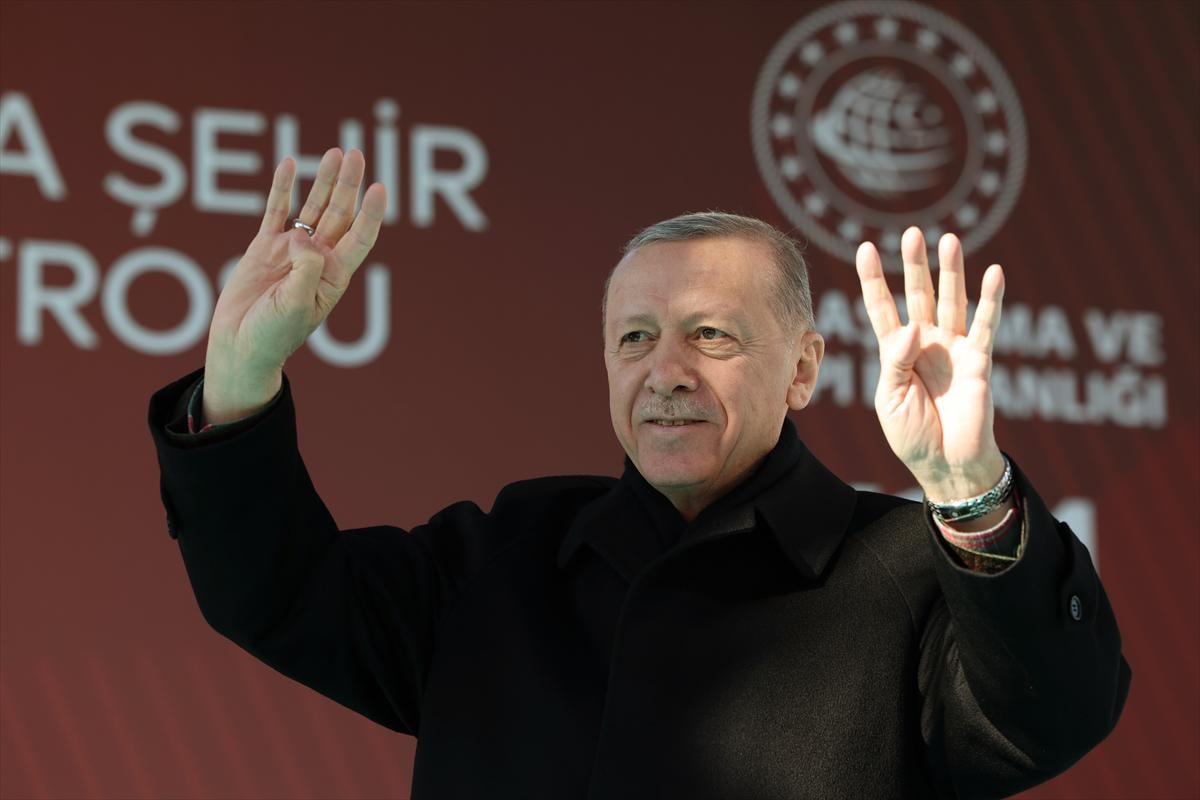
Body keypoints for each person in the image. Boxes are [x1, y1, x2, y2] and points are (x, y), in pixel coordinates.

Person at [148, 148, 1130, 799]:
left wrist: (968, 484)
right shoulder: (502, 557)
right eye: (634, 338)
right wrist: (241, 373)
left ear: (802, 369)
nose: (666, 371)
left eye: (710, 334)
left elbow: (1057, 713)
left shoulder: (909, 568)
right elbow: (272, 591)